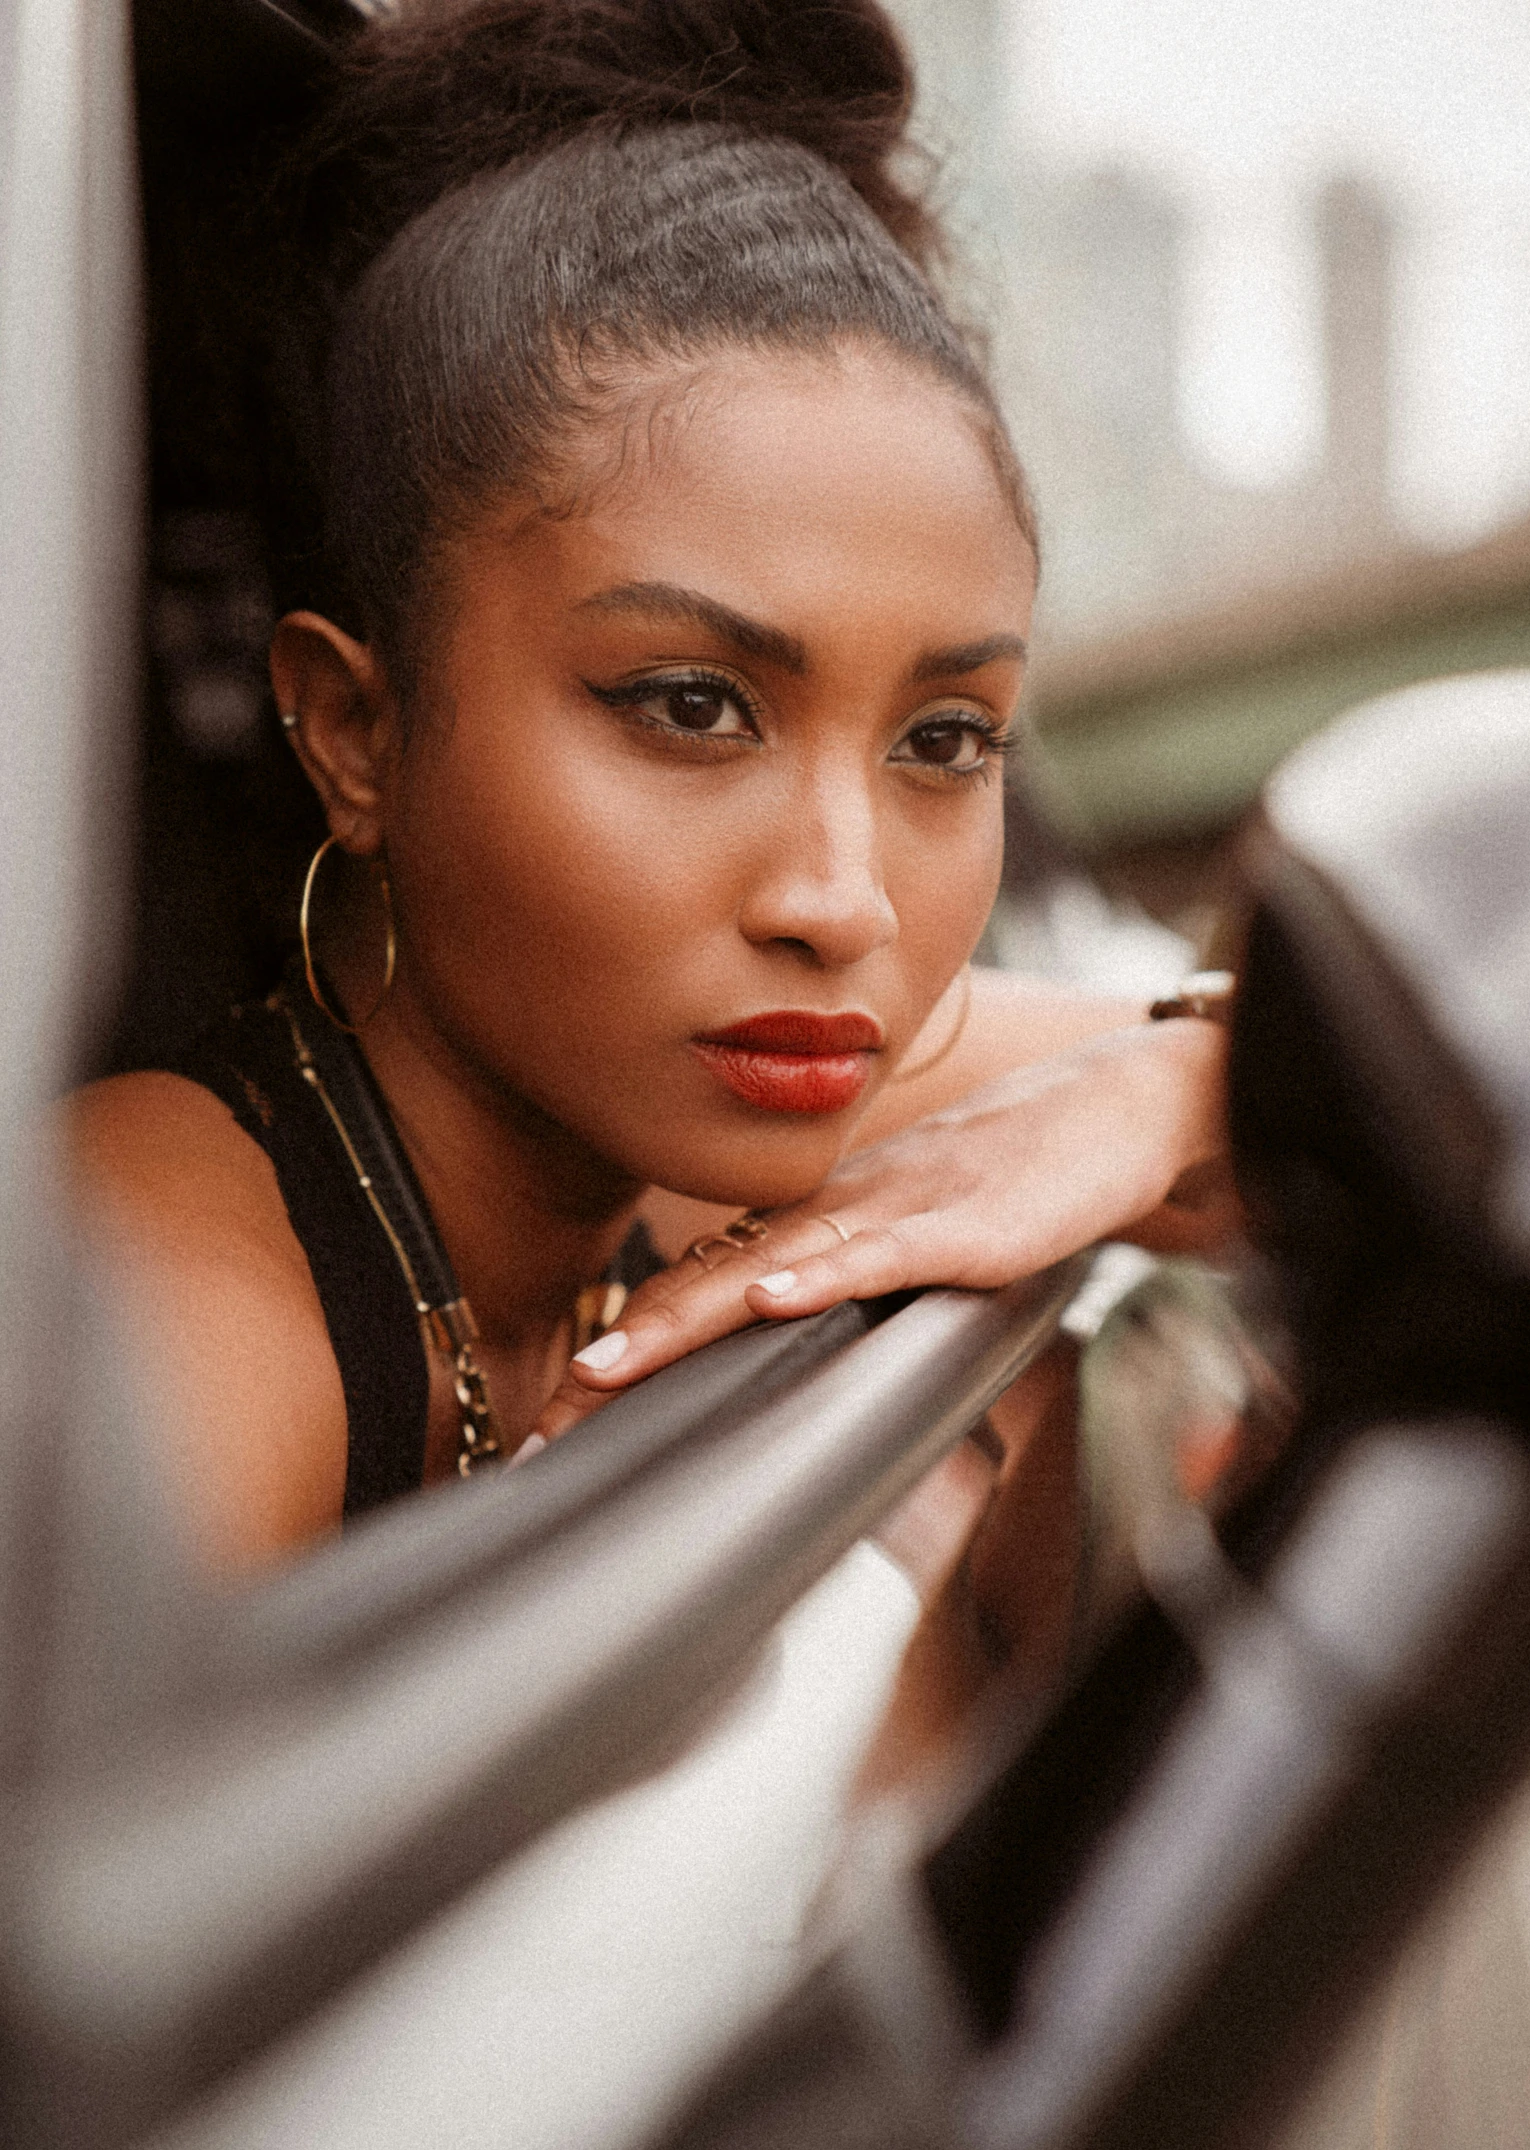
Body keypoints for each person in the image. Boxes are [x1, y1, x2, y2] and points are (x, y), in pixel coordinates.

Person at [66, 0, 1230, 1591]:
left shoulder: (714, 1092)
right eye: (692, 706)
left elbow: (1414, 1107)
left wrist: (1149, 1095)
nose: (843, 900)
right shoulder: (150, 1321)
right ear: (353, 728)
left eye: (946, 740)